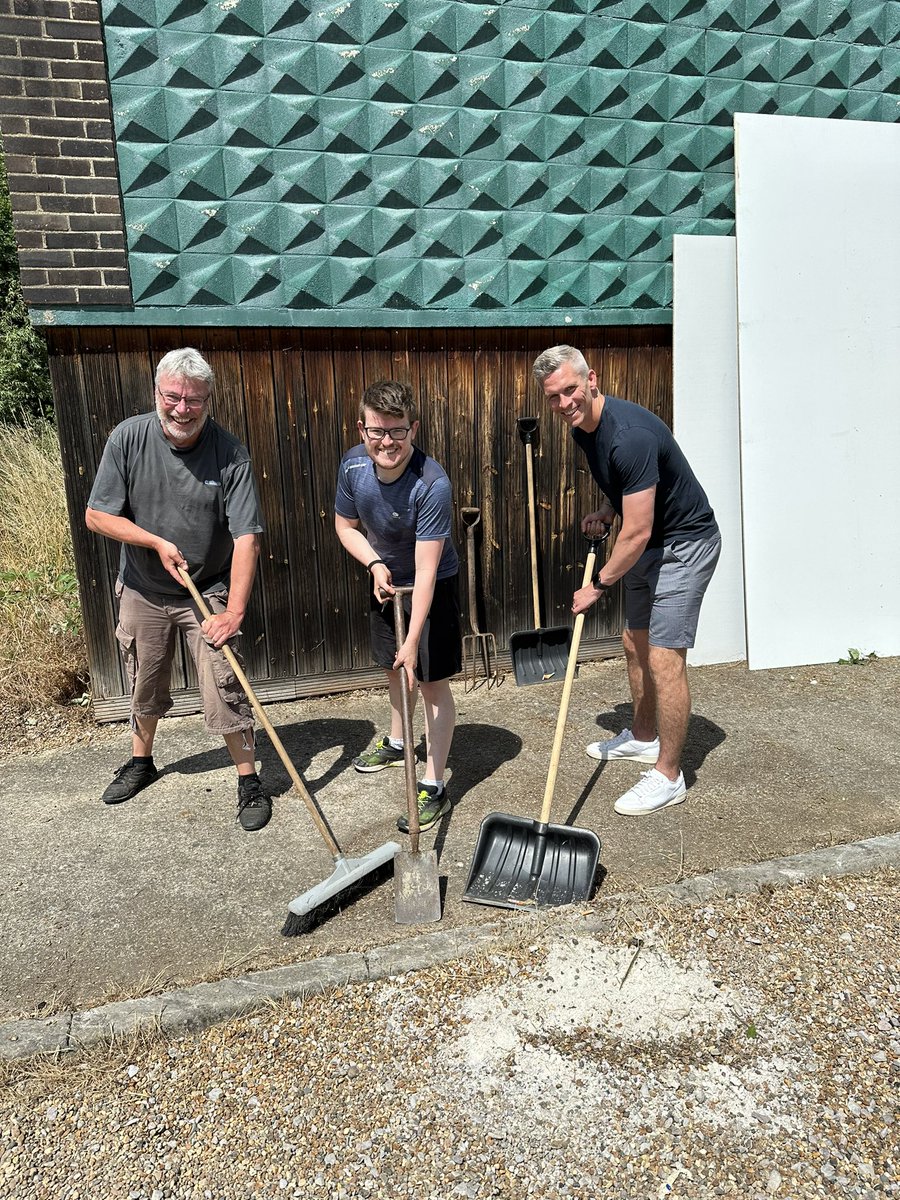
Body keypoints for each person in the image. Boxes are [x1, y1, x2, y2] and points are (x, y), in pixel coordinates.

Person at [85, 347, 271, 832]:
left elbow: (246, 535)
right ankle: (141, 762)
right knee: (145, 678)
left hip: (204, 586)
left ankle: (248, 779)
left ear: (209, 399)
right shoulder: (128, 437)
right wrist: (153, 541)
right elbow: (97, 515)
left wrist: (233, 611)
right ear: (157, 393)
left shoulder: (229, 452)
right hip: (144, 588)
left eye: (194, 401)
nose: (182, 409)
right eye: (173, 398)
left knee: (223, 680)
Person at [533, 345, 721, 817]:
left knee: (664, 657)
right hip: (648, 542)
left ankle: (669, 775)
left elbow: (635, 532)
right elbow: (629, 491)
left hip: (684, 545)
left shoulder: (628, 434)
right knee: (634, 642)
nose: (563, 403)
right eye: (553, 397)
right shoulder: (583, 429)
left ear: (591, 380)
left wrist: (598, 584)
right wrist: (606, 509)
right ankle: (641, 736)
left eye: (571, 390)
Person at [335, 380, 461, 834]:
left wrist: (413, 640)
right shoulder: (353, 466)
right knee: (393, 668)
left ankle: (434, 784)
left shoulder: (431, 484)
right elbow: (344, 526)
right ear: (362, 428)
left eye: (398, 431)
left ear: (414, 429)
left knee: (428, 681)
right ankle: (397, 740)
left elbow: (426, 572)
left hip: (432, 585)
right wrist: (372, 563)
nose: (387, 442)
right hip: (385, 578)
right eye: (377, 431)